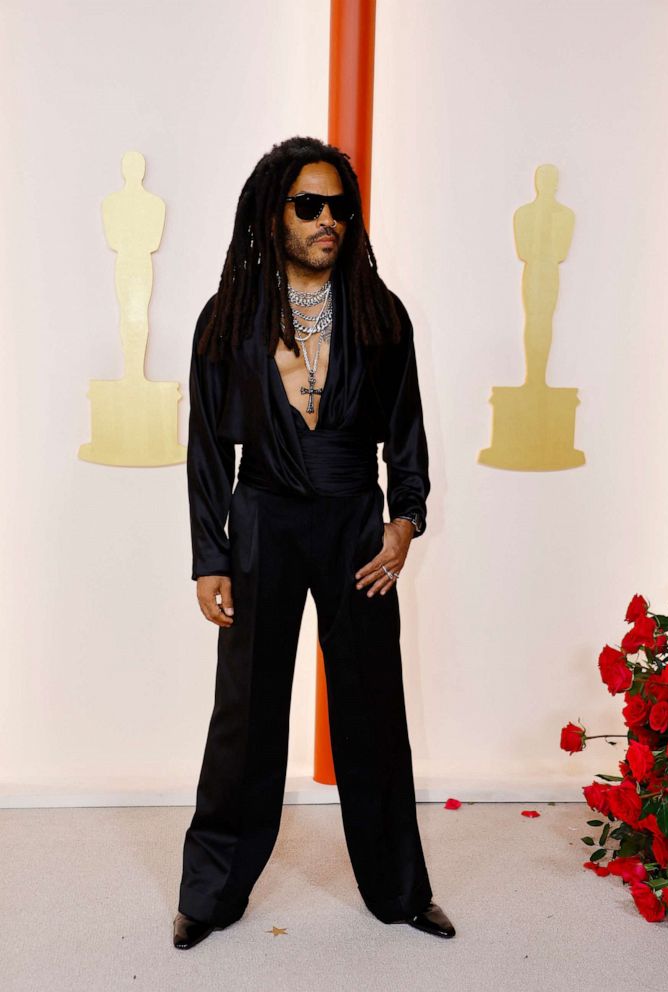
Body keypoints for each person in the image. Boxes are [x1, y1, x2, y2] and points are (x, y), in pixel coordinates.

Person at [173, 136, 455, 949]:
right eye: (309, 205)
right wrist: (209, 556)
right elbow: (204, 453)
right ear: (275, 215)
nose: (328, 220)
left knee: (372, 709)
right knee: (246, 716)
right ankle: (213, 894)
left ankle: (400, 891)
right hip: (261, 515)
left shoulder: (379, 313)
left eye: (340, 206)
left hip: (353, 526)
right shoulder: (228, 318)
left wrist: (404, 522)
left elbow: (407, 436)